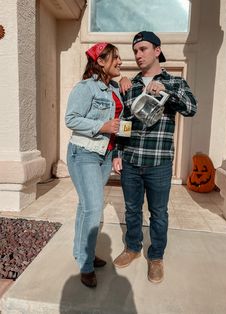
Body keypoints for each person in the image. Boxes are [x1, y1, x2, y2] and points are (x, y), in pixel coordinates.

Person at [112, 31, 197, 284]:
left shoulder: (176, 83)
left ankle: (156, 256)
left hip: (159, 162)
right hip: (130, 161)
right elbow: (124, 123)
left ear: (157, 51)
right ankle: (133, 248)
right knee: (131, 209)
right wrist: (118, 153)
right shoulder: (130, 85)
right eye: (136, 51)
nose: (138, 55)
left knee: (158, 212)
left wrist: (167, 88)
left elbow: (192, 108)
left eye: (144, 49)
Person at [65, 42, 123, 288]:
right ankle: (86, 264)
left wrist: (116, 151)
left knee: (86, 206)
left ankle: (81, 253)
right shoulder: (86, 88)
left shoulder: (116, 90)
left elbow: (120, 122)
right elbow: (71, 119)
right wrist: (101, 126)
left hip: (105, 155)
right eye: (116, 58)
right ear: (101, 61)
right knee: (94, 208)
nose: (120, 62)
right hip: (84, 153)